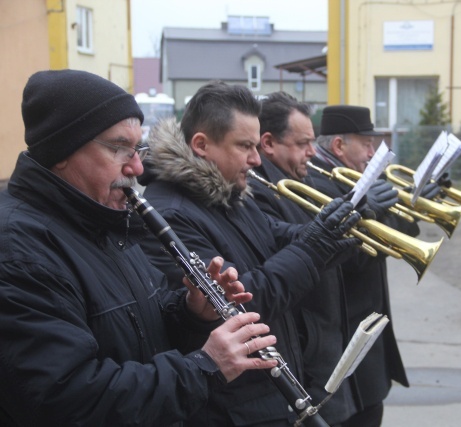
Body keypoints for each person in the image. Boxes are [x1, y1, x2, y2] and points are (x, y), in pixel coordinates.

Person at [0, 69, 278, 427]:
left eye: (138, 148)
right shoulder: (18, 249)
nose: (137, 167)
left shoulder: (103, 217)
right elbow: (64, 398)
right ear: (61, 151)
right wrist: (205, 366)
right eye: (119, 148)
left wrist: (192, 311)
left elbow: (142, 318)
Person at [138, 81, 362, 426]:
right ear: (202, 145)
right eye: (245, 146)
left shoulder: (227, 189)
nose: (256, 160)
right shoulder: (169, 214)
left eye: (256, 146)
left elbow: (275, 234)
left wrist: (333, 233)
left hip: (269, 396)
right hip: (234, 409)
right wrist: (314, 247)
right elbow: (239, 304)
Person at [250, 92, 365, 425]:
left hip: (322, 344)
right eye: (303, 143)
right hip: (304, 350)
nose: (313, 153)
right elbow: (284, 259)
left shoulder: (296, 180)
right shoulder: (260, 188)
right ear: (268, 143)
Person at [310, 105, 421, 427]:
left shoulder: (362, 178)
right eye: (367, 144)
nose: (373, 153)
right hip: (347, 334)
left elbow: (404, 235)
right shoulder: (323, 184)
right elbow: (351, 258)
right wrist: (368, 209)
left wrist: (412, 201)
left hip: (370, 336)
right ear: (339, 146)